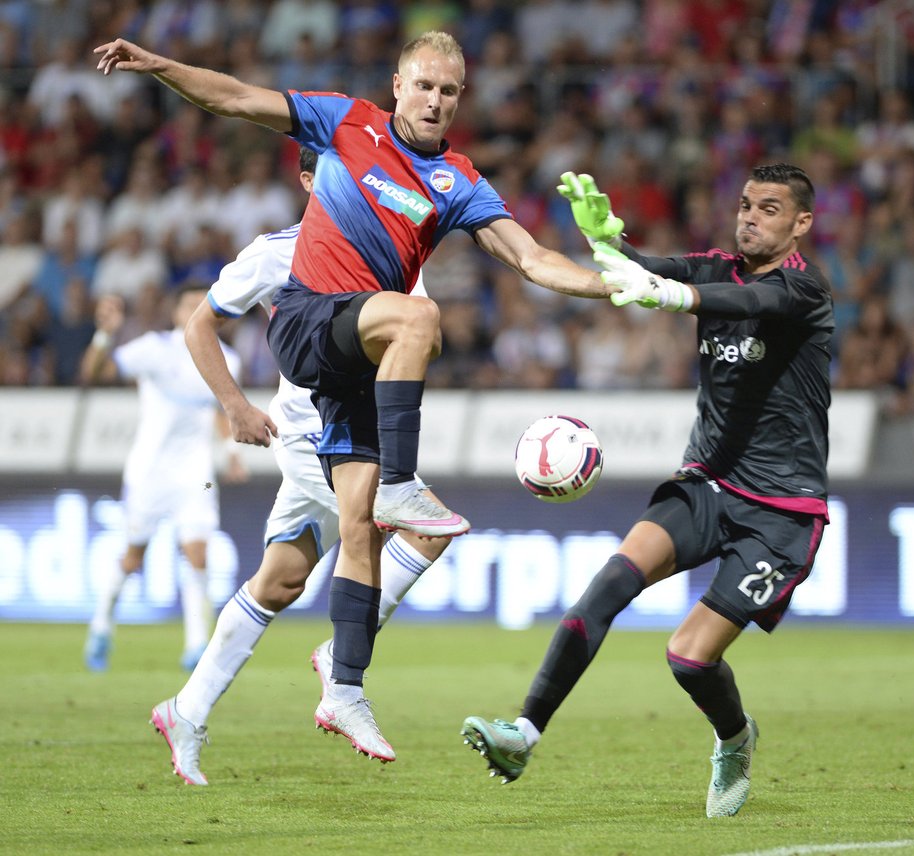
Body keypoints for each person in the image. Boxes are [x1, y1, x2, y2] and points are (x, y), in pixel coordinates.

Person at [95, 30, 611, 762]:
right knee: (414, 337)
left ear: (460, 99)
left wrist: (618, 281)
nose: (435, 100)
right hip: (307, 339)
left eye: (450, 90)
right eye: (424, 85)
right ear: (397, 86)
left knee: (285, 576)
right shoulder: (344, 127)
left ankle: (297, 694)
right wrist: (157, 67)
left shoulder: (456, 182)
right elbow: (236, 99)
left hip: (351, 390)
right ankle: (387, 519)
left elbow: (531, 258)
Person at [462, 164, 833, 819]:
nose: (749, 216)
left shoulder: (804, 290)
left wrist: (672, 297)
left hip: (781, 512)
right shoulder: (715, 265)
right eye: (745, 204)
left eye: (769, 209)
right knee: (605, 587)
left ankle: (735, 738)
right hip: (707, 484)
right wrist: (606, 241)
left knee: (688, 659)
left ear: (801, 222)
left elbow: (748, 304)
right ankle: (524, 734)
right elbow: (642, 270)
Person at [150, 147, 451, 784]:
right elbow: (200, 327)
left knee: (281, 580)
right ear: (311, 182)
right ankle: (343, 662)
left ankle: (186, 710)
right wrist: (234, 406)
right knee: (413, 528)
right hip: (311, 432)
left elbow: (425, 332)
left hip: (358, 429)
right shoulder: (275, 251)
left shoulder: (393, 246)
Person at [81, 286, 246, 673]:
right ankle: (101, 623)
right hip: (149, 472)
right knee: (133, 556)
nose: (195, 311)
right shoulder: (153, 348)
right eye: (188, 305)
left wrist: (233, 455)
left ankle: (195, 646)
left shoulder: (229, 360)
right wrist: (105, 333)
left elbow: (222, 409)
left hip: (197, 475)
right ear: (176, 313)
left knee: (198, 554)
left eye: (202, 306)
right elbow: (94, 372)